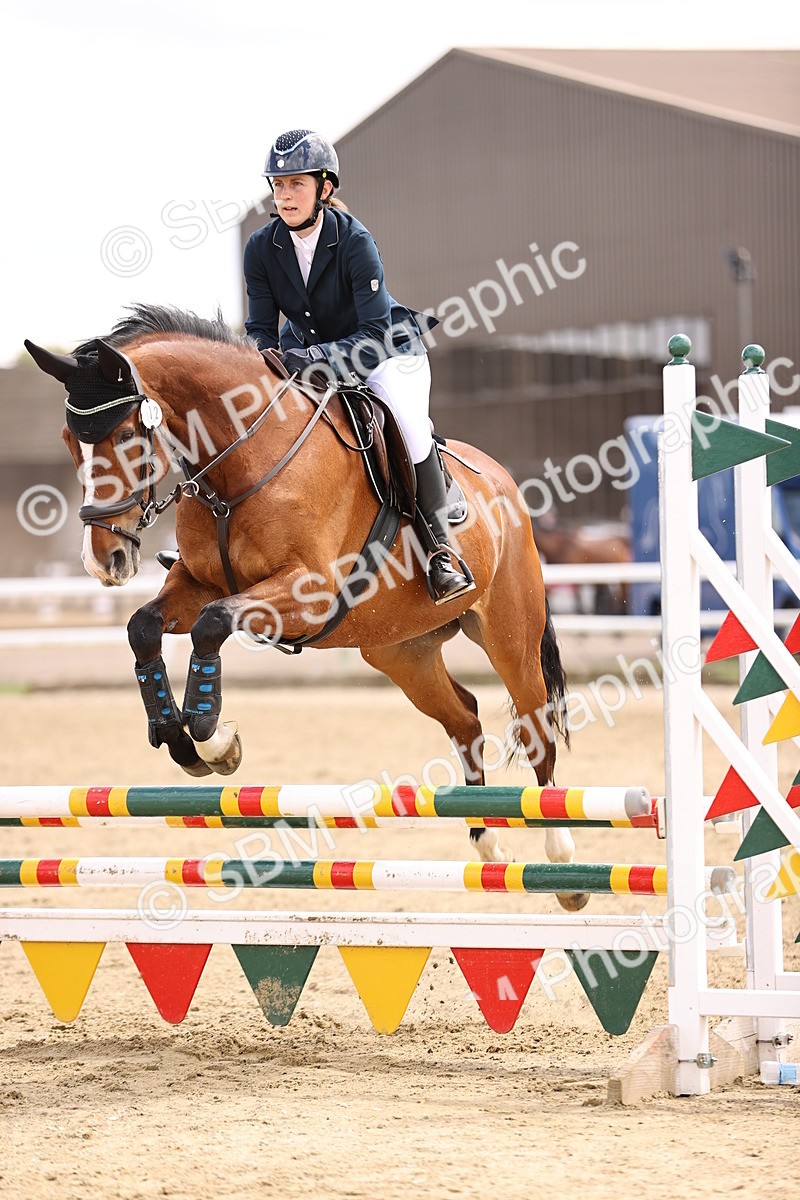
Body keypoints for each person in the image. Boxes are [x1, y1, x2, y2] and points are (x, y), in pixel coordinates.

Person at [243, 128, 473, 605]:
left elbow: (371, 337)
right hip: (309, 354)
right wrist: (264, 364)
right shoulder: (261, 249)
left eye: (296, 185)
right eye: (278, 185)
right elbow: (261, 329)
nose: (285, 196)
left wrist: (312, 359)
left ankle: (439, 550)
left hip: (385, 353)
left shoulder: (354, 241)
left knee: (405, 422)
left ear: (324, 189)